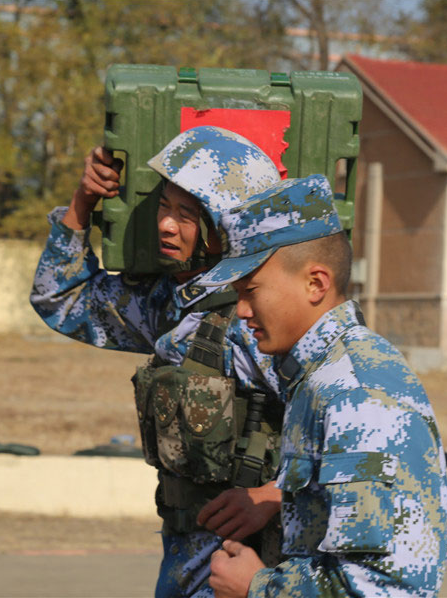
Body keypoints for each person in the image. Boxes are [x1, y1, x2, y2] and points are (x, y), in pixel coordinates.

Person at [30, 126, 287, 597]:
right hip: (186, 555)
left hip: (251, 559)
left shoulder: (259, 318)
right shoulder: (174, 304)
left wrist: (272, 496)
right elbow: (60, 299)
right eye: (164, 207)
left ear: (225, 223)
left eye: (187, 214)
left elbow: (335, 432)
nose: (166, 224)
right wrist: (83, 203)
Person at [201, 174, 447, 597]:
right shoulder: (319, 374)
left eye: (251, 291)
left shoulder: (355, 392)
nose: (242, 311)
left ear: (315, 284)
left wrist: (257, 588)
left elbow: (387, 586)